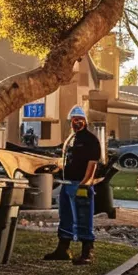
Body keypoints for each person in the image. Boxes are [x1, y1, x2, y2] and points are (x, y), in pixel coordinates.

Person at [46, 105, 101, 265]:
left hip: (81, 185)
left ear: (85, 121)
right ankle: (63, 249)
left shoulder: (90, 140)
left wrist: (85, 183)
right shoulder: (72, 139)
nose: (77, 122)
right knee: (66, 217)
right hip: (67, 184)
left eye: (80, 119)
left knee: (83, 216)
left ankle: (87, 251)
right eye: (74, 120)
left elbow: (92, 164)